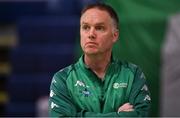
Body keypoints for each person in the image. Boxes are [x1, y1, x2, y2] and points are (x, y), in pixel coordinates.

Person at [48, 3, 151, 117]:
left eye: (99, 28)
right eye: (85, 27)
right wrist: (118, 115)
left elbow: (141, 115)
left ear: (115, 35)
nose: (91, 34)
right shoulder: (62, 79)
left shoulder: (133, 75)